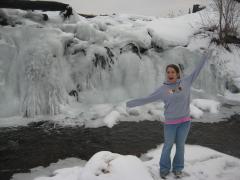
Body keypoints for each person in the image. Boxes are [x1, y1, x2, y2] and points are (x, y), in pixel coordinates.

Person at [126, 50, 213, 179]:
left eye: (172, 72)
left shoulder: (186, 82)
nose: (170, 74)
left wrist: (205, 57)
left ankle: (178, 169)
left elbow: (197, 70)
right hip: (171, 124)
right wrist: (131, 103)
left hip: (185, 122)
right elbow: (147, 98)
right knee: (167, 147)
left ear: (177, 74)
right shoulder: (163, 90)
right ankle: (164, 169)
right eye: (168, 72)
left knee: (180, 147)